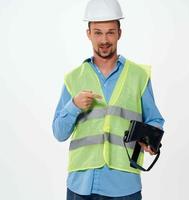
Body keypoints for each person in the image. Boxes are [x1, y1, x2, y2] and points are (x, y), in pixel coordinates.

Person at [52, 0, 165, 199]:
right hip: (80, 185)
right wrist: (74, 106)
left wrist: (150, 141)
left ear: (119, 33)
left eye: (110, 32)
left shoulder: (138, 76)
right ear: (88, 34)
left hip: (124, 186)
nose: (104, 39)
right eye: (98, 32)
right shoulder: (73, 78)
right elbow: (59, 132)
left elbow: (154, 120)